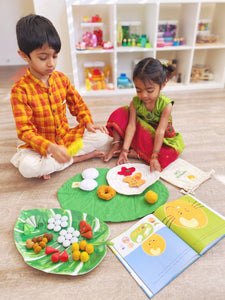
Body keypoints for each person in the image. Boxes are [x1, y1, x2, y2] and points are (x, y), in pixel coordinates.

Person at [10, 14, 109, 179]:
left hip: (64, 139)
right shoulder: (20, 90)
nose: (51, 63)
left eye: (55, 56)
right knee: (27, 168)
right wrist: (50, 148)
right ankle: (75, 159)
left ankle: (55, 163)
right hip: (38, 146)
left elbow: (77, 104)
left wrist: (87, 123)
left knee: (102, 136)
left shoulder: (61, 79)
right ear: (24, 56)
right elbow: (25, 131)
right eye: (43, 57)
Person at [104, 57, 185, 172]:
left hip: (156, 137)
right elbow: (131, 126)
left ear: (163, 84)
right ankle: (117, 145)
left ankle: (137, 153)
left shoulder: (167, 105)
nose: (144, 95)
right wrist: (124, 150)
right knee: (120, 113)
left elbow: (160, 132)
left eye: (150, 90)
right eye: (139, 90)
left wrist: (155, 156)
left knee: (169, 154)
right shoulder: (135, 103)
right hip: (140, 132)